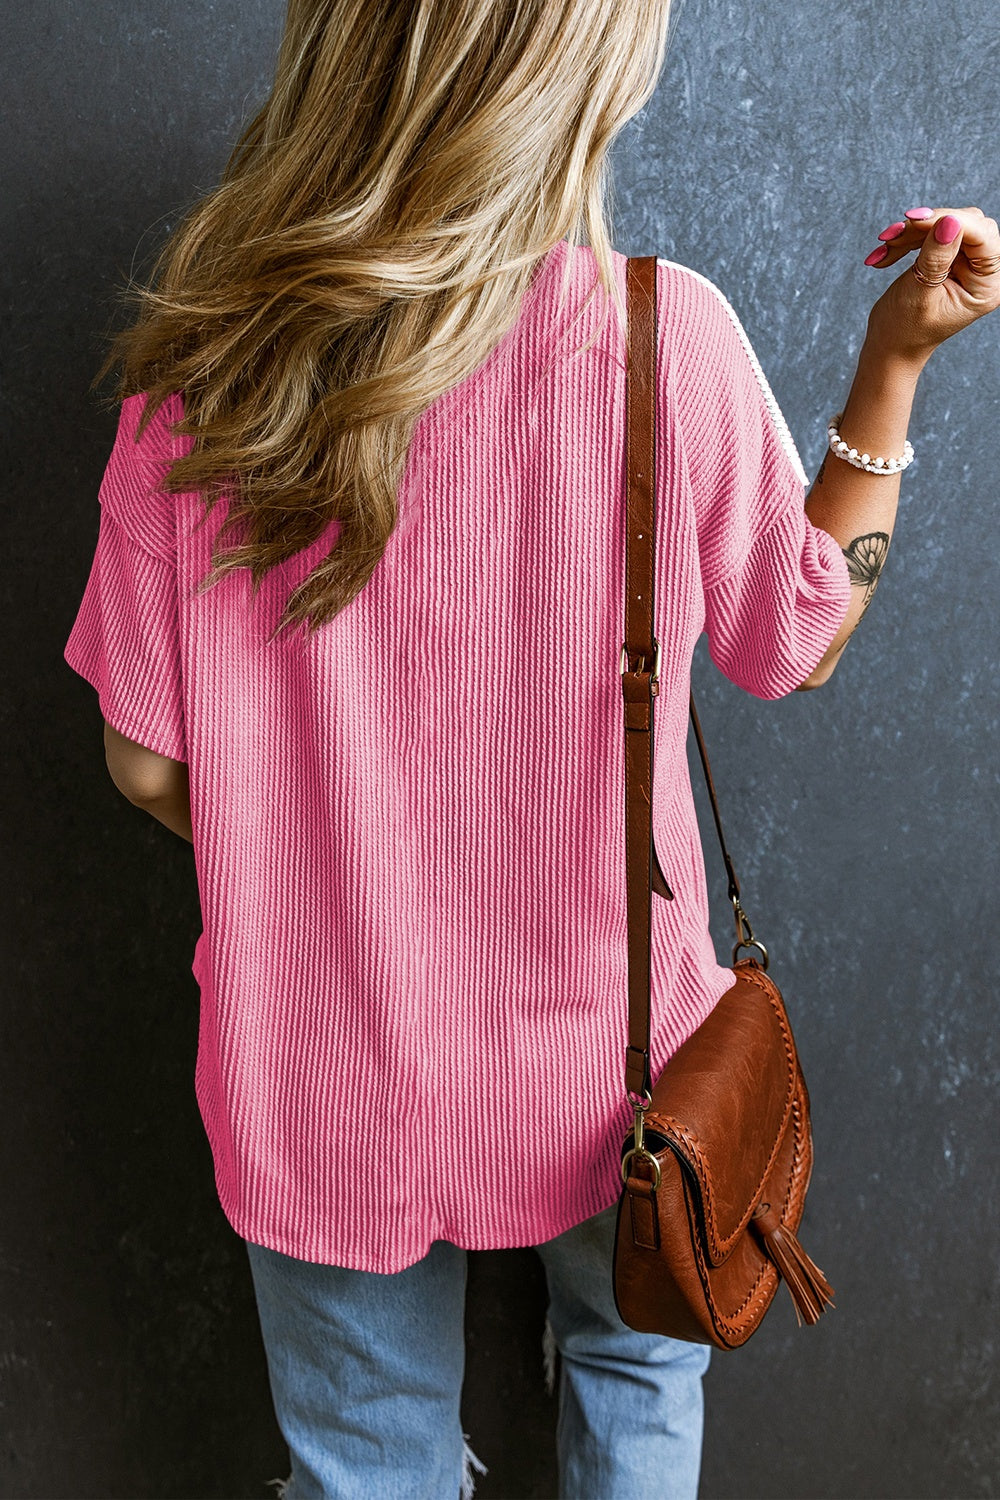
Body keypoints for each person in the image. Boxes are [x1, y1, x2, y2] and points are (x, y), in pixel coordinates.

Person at [61, 2, 1000, 1497]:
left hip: (322, 1053)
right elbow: (798, 642)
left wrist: (320, 855)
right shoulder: (660, 335)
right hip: (617, 1054)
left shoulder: (202, 371)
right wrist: (895, 362)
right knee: (637, 1374)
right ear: (574, 77)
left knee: (363, 1458)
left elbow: (144, 767)